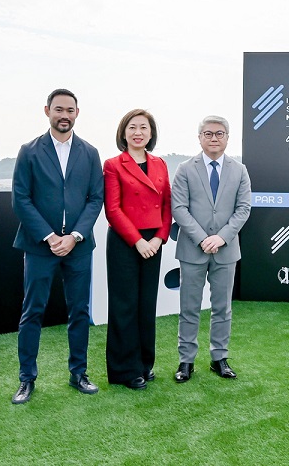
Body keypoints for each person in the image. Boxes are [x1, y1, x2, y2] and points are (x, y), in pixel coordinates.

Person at [10, 89, 105, 403]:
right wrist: (50, 237)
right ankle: (27, 379)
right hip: (40, 247)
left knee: (79, 311)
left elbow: (95, 199)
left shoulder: (90, 152)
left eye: (70, 110)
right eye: (59, 109)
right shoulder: (29, 151)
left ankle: (79, 373)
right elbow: (20, 199)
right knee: (32, 312)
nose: (64, 115)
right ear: (47, 110)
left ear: (77, 113)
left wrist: (74, 236)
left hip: (78, 246)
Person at [171, 116, 252, 382]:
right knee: (189, 307)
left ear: (227, 137)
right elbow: (179, 208)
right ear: (200, 138)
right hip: (193, 250)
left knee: (222, 307)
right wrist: (202, 238)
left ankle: (219, 358)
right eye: (208, 133)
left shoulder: (239, 170)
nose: (214, 138)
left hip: (226, 250)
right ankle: (186, 361)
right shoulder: (185, 168)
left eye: (219, 133)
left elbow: (243, 209)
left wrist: (221, 238)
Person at [103, 109, 172, 389]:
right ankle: (124, 370)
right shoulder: (113, 164)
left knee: (146, 304)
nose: (138, 132)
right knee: (124, 305)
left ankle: (145, 364)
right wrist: (138, 241)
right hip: (125, 240)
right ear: (123, 132)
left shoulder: (160, 164)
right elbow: (113, 209)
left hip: (153, 242)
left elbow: (167, 206)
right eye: (132, 127)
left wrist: (158, 239)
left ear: (151, 133)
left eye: (144, 127)